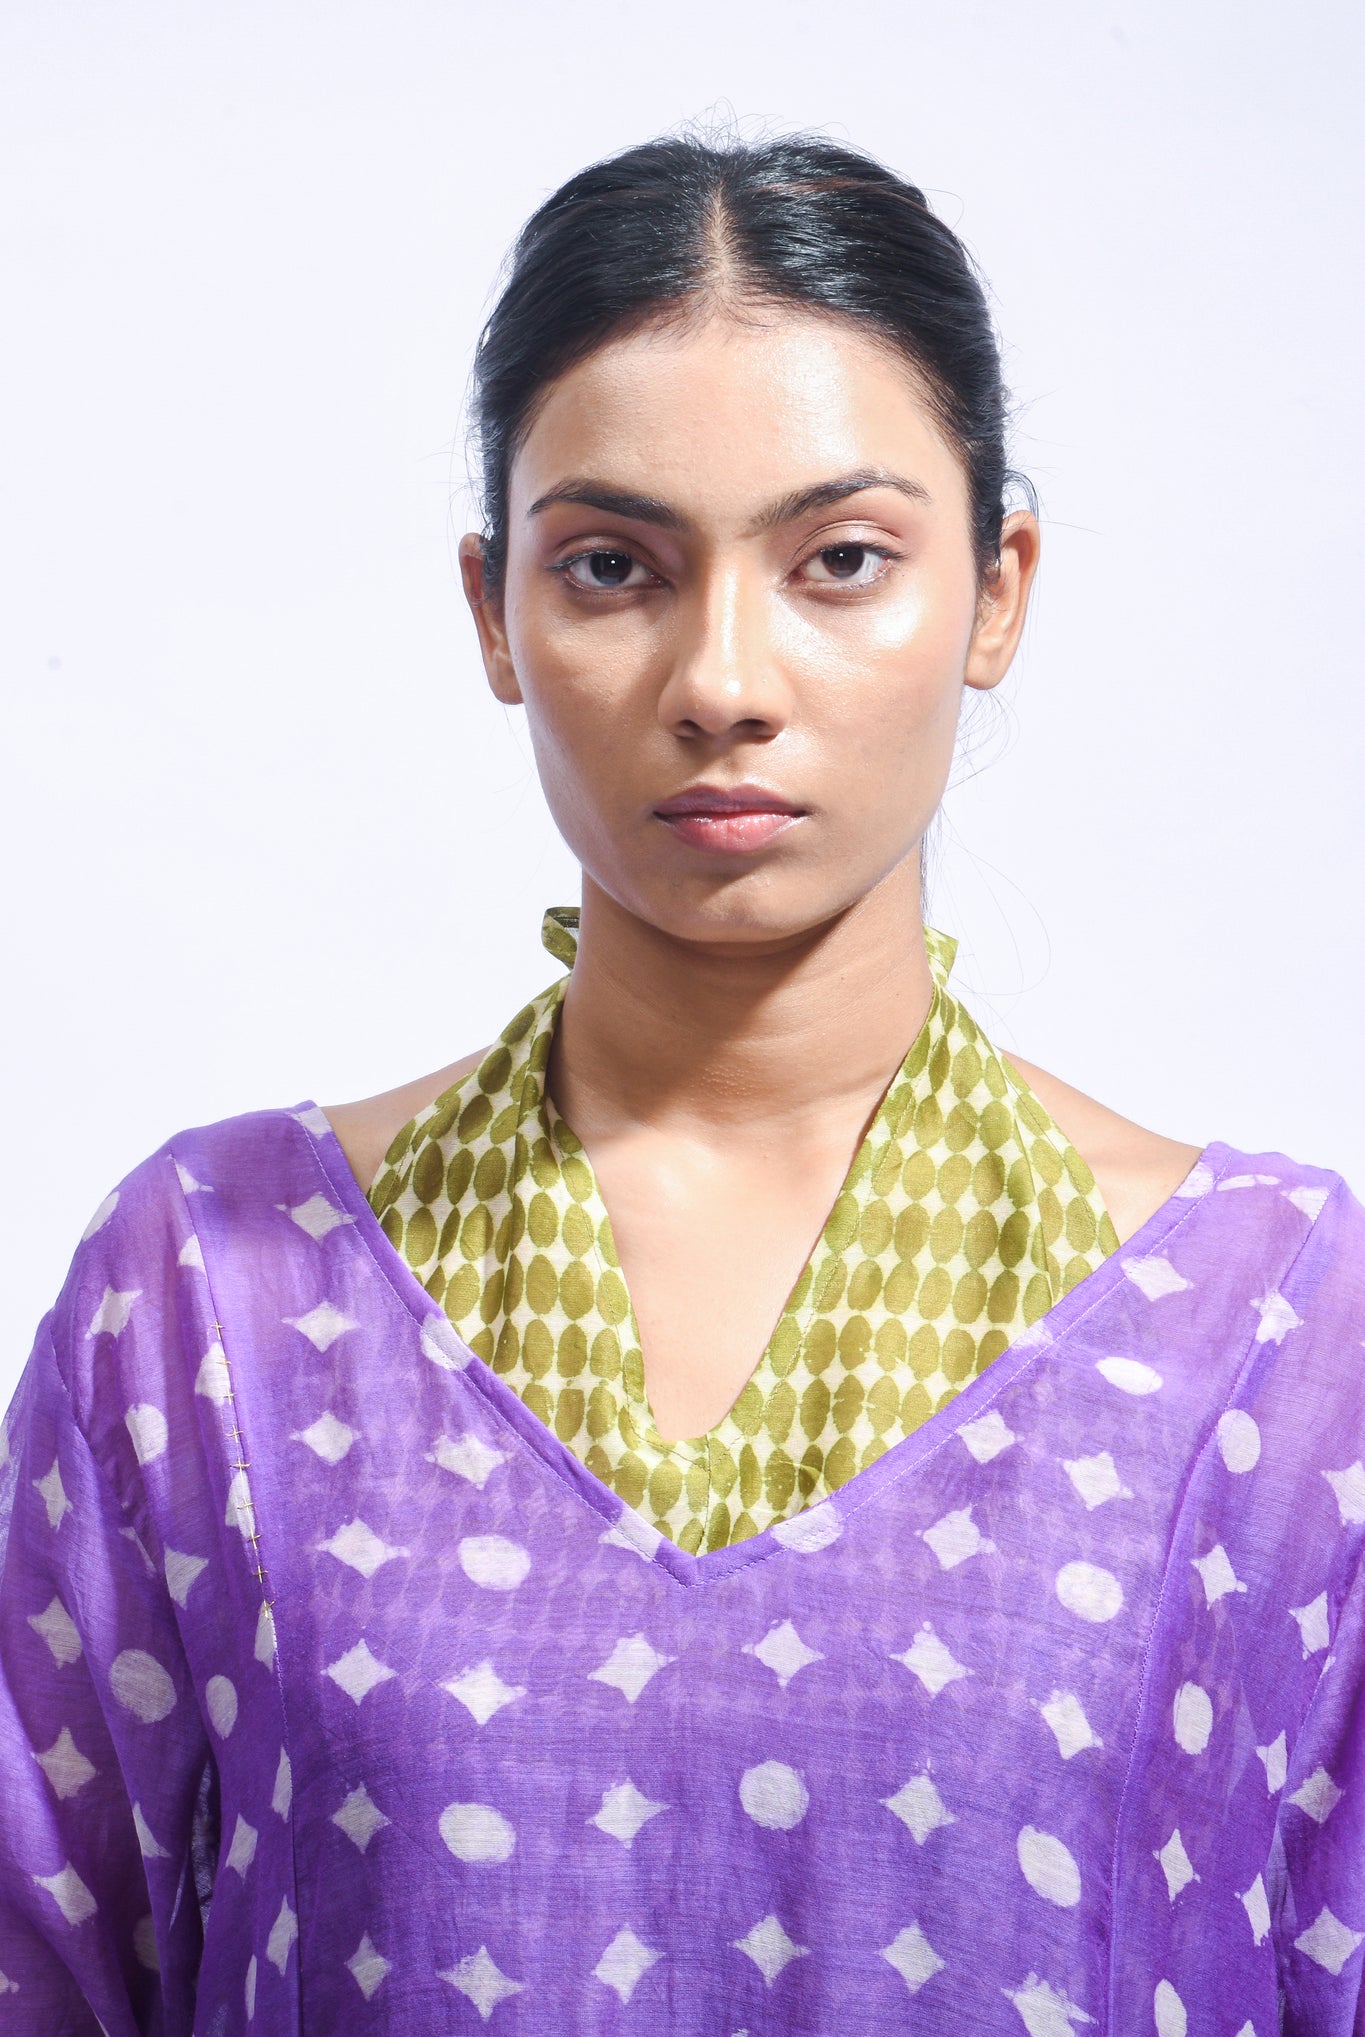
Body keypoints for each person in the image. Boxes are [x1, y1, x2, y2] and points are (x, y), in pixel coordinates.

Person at [0, 132, 1361, 2037]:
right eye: (613, 566)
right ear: (496, 612)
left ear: (996, 590)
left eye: (841, 561)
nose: (723, 678)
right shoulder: (209, 1295)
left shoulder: (1280, 1338)